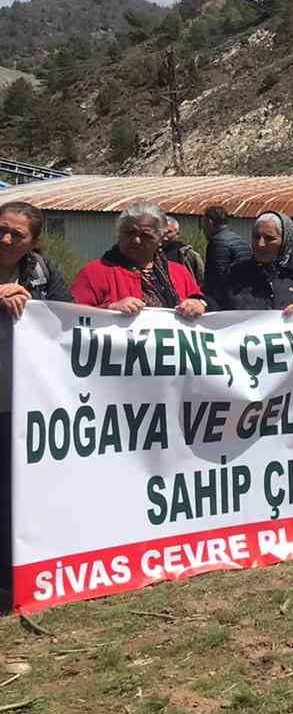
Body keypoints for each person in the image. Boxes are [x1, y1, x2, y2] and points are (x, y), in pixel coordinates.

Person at [0, 201, 71, 613]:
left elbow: (67, 314)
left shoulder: (42, 272)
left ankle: (19, 578)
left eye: (17, 234)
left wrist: (110, 316)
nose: (6, 239)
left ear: (35, 242)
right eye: (1, 229)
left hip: (26, 404)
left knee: (20, 493)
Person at [72, 201, 208, 317]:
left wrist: (199, 305)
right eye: (129, 233)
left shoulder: (179, 272)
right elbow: (71, 317)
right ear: (119, 234)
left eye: (146, 236)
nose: (136, 240)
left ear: (160, 239)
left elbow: (200, 300)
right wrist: (109, 310)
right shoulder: (94, 273)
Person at [213, 211, 293, 314]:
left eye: (269, 238)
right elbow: (213, 305)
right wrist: (200, 304)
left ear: (285, 241)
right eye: (256, 237)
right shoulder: (235, 274)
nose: (260, 244)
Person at [201, 205, 250, 299]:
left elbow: (217, 278)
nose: (203, 229)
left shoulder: (217, 242)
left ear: (209, 222)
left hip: (227, 300)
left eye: (203, 224)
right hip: (243, 295)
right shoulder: (240, 239)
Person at [162, 217, 206, 285]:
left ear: (177, 234)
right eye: (162, 231)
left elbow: (200, 279)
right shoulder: (150, 253)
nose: (164, 235)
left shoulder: (187, 254)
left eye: (169, 232)